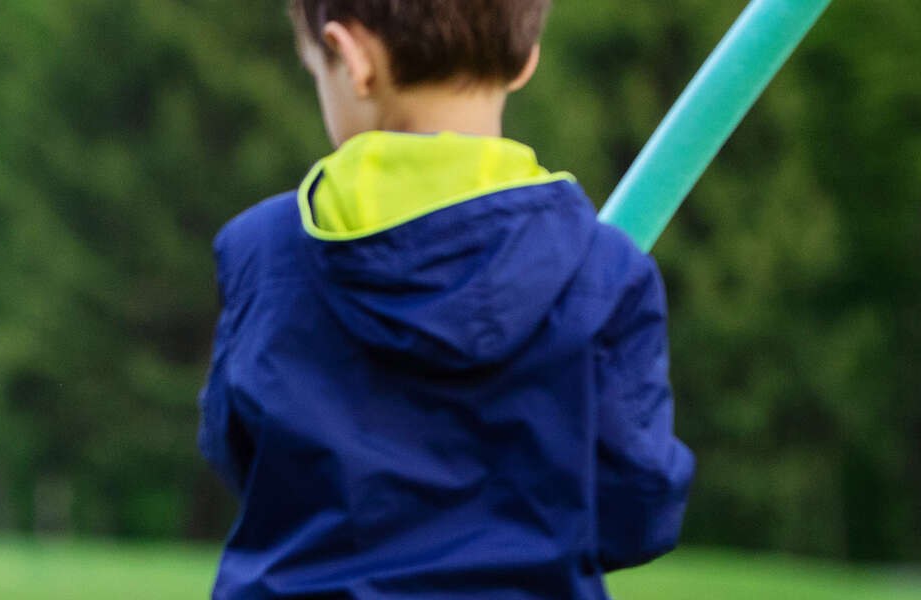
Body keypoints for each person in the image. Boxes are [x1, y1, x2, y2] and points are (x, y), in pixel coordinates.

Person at [199, 1, 695, 597]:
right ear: (525, 57)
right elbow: (638, 507)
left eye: (315, 71)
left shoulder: (264, 253)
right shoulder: (607, 271)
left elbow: (236, 449)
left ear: (351, 58)